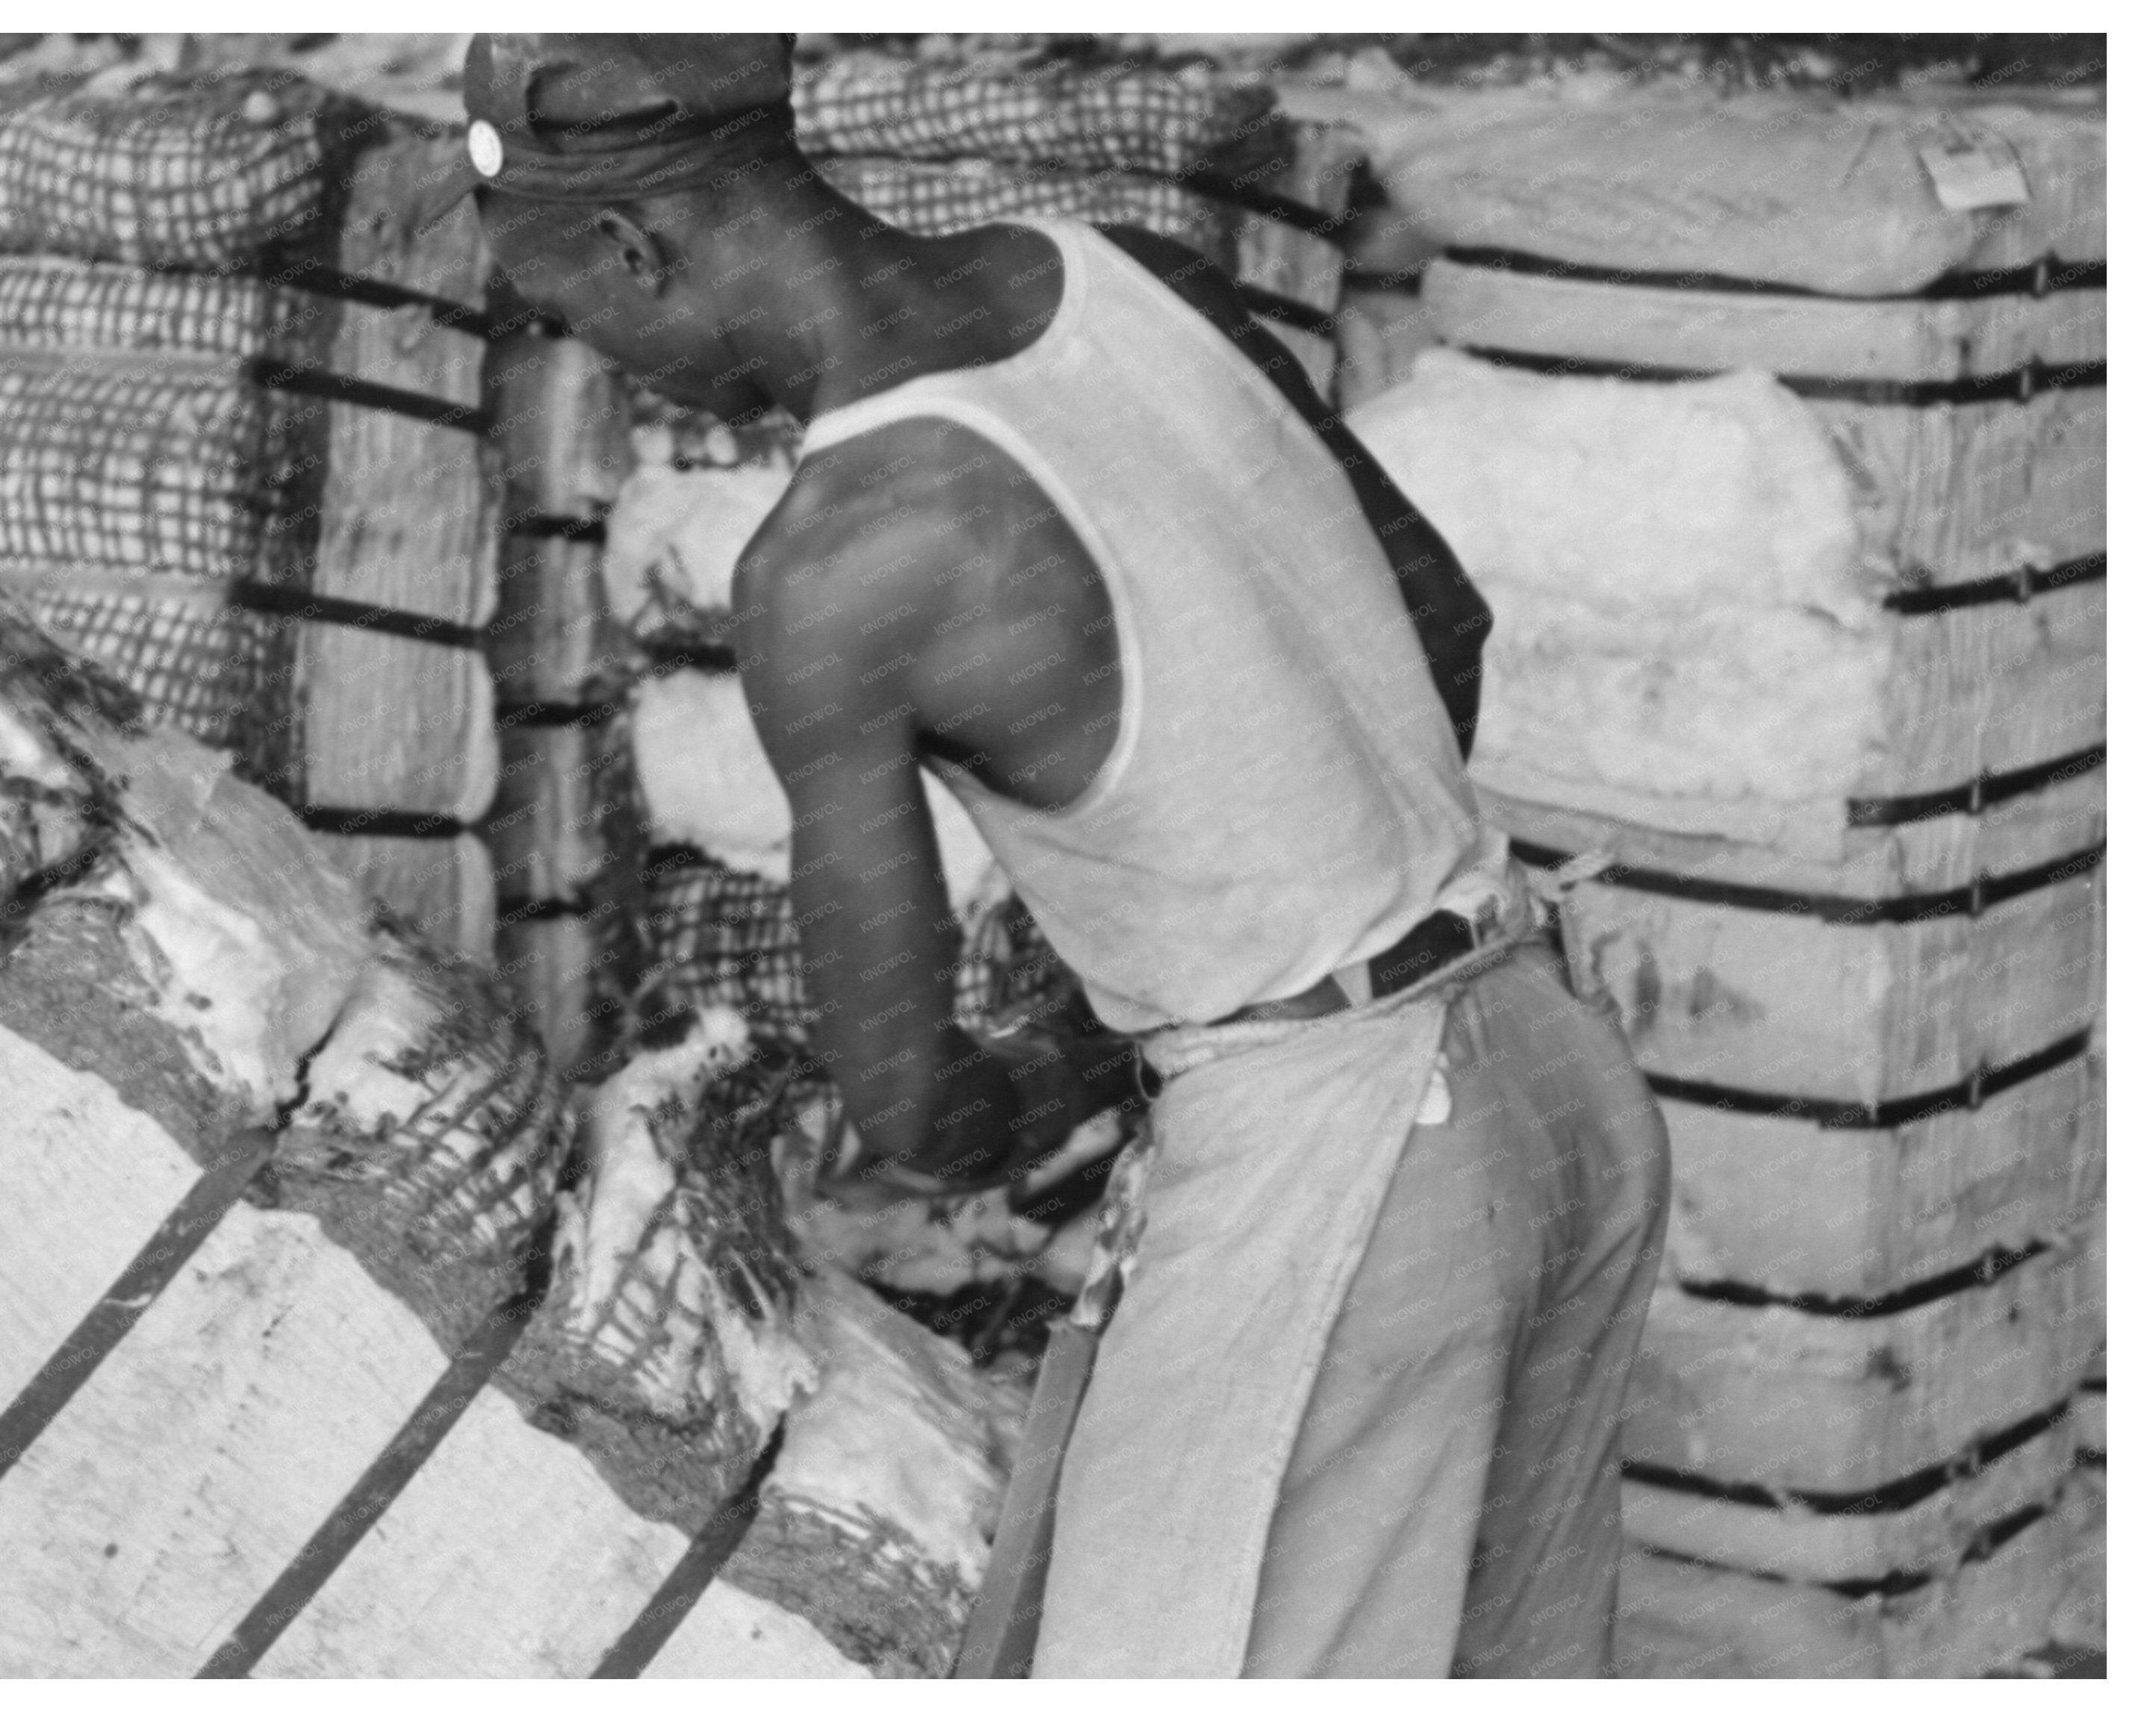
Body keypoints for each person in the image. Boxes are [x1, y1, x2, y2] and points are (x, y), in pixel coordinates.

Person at [464, 33, 1671, 1678]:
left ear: (630, 245)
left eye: (568, 311)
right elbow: (1437, 629)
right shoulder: (1126, 275)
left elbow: (914, 1110)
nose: (598, 354)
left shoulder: (833, 566)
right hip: (1551, 1073)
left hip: (1343, 1167)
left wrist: (1088, 1062)